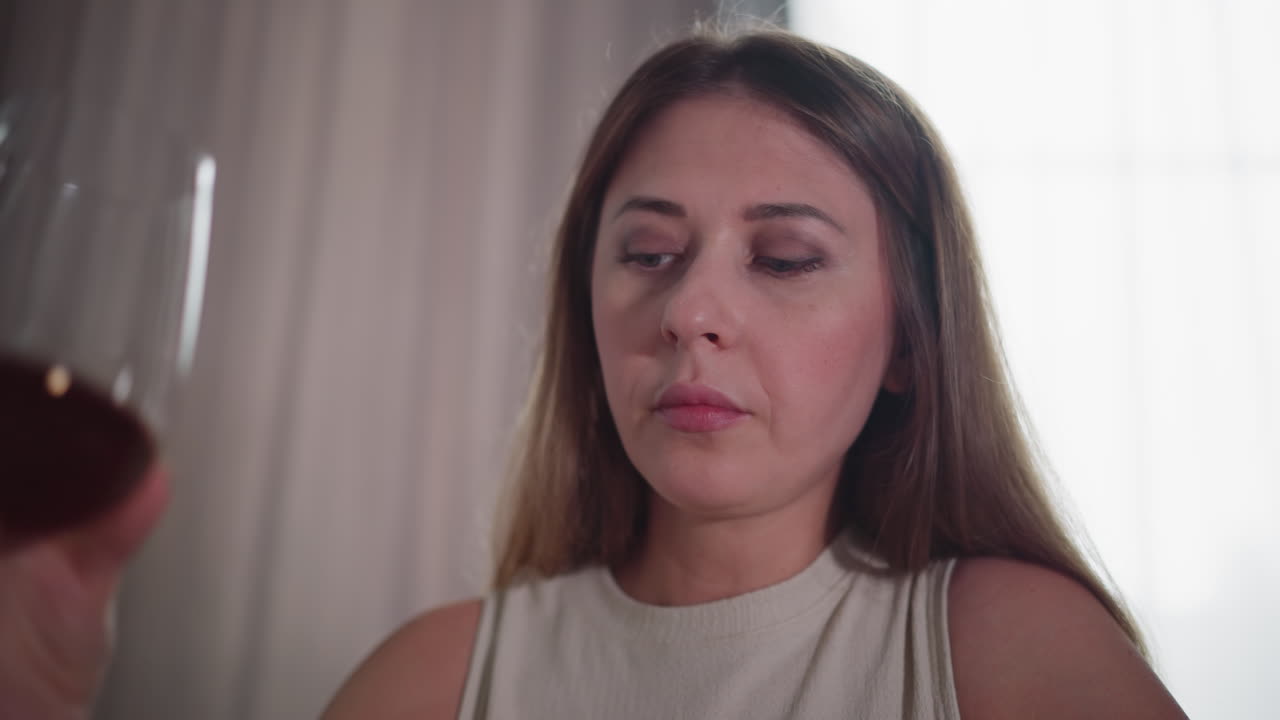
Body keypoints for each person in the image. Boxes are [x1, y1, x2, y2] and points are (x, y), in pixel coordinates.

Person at [1, 28, 1188, 720]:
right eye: (649, 254)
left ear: (911, 348)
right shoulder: (435, 680)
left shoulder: (1005, 651)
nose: (688, 313)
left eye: (782, 259)